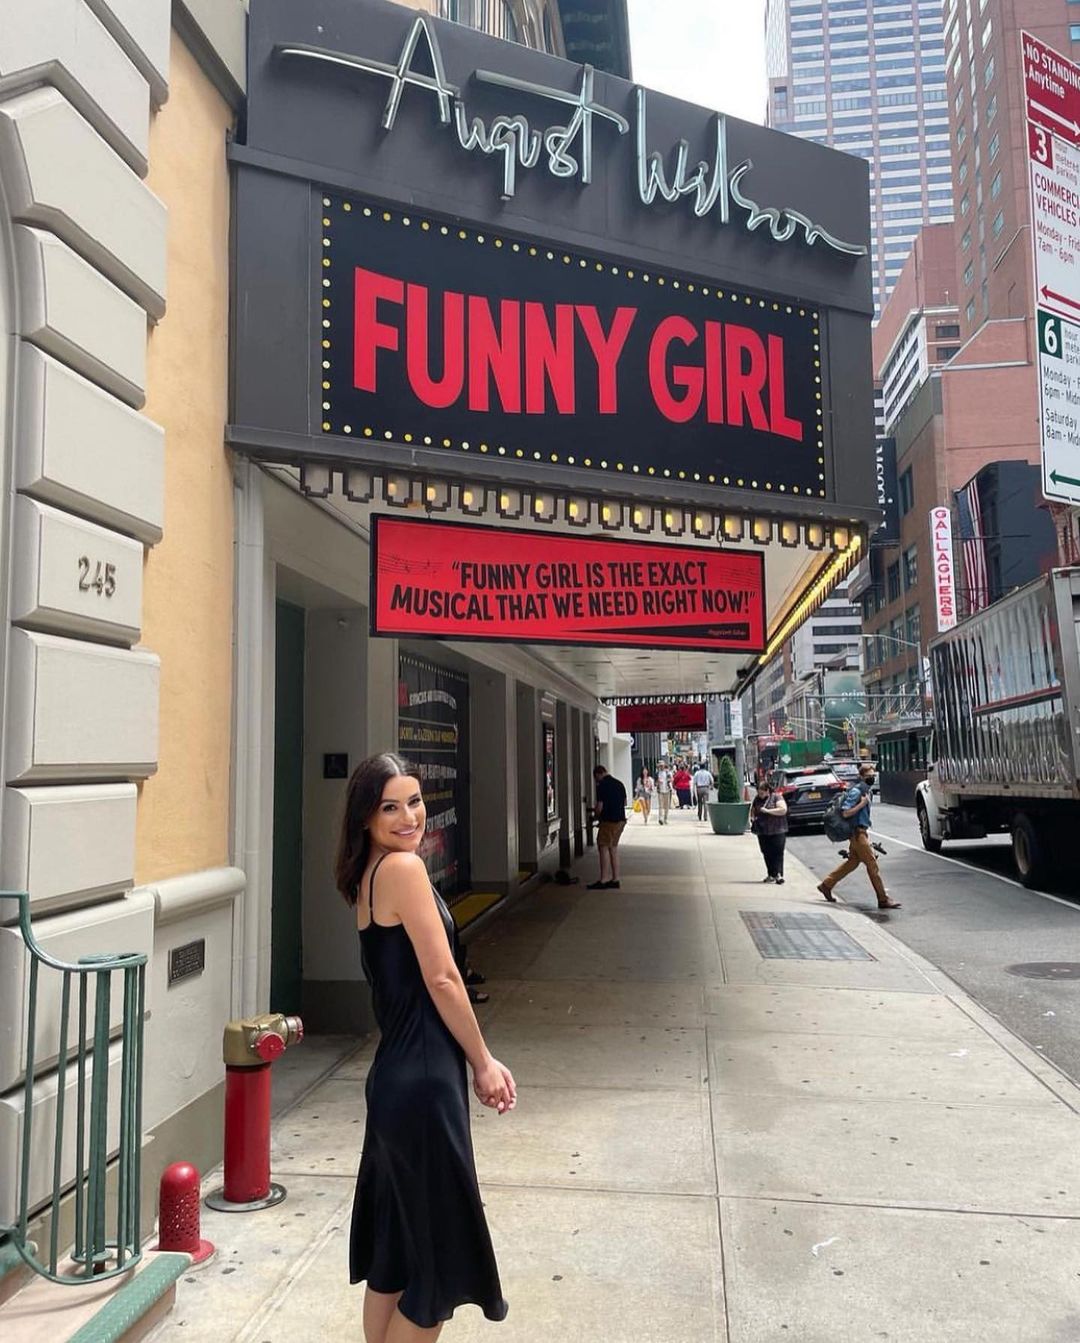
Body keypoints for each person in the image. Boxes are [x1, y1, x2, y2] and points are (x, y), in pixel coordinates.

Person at [337, 753, 515, 1342]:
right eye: (390, 807)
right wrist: (483, 1062)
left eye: (414, 801)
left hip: (395, 1078)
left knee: (394, 1256)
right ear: (365, 818)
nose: (409, 816)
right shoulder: (404, 869)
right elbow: (442, 979)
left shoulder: (369, 875)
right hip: (424, 1082)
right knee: (435, 1271)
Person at [817, 762, 901, 910]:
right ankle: (883, 899)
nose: (872, 778)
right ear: (861, 777)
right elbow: (845, 813)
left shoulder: (866, 791)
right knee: (872, 865)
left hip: (860, 833)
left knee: (852, 863)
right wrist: (861, 804)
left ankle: (826, 884)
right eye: (868, 776)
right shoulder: (857, 792)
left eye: (873, 775)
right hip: (857, 834)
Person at [589, 764, 627, 889]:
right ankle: (615, 879)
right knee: (613, 848)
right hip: (621, 821)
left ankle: (604, 879)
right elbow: (624, 803)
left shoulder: (602, 786)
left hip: (609, 821)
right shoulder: (620, 784)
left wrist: (595, 816)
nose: (596, 781)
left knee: (603, 847)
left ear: (598, 774)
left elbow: (600, 807)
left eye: (596, 778)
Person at [750, 779, 788, 884]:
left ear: (767, 791)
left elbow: (783, 810)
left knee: (777, 852)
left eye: (762, 793)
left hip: (777, 829)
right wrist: (752, 818)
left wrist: (768, 811)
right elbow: (753, 810)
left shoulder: (776, 797)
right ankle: (771, 874)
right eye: (759, 793)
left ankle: (778, 875)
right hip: (763, 831)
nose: (760, 795)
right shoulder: (757, 799)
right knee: (766, 852)